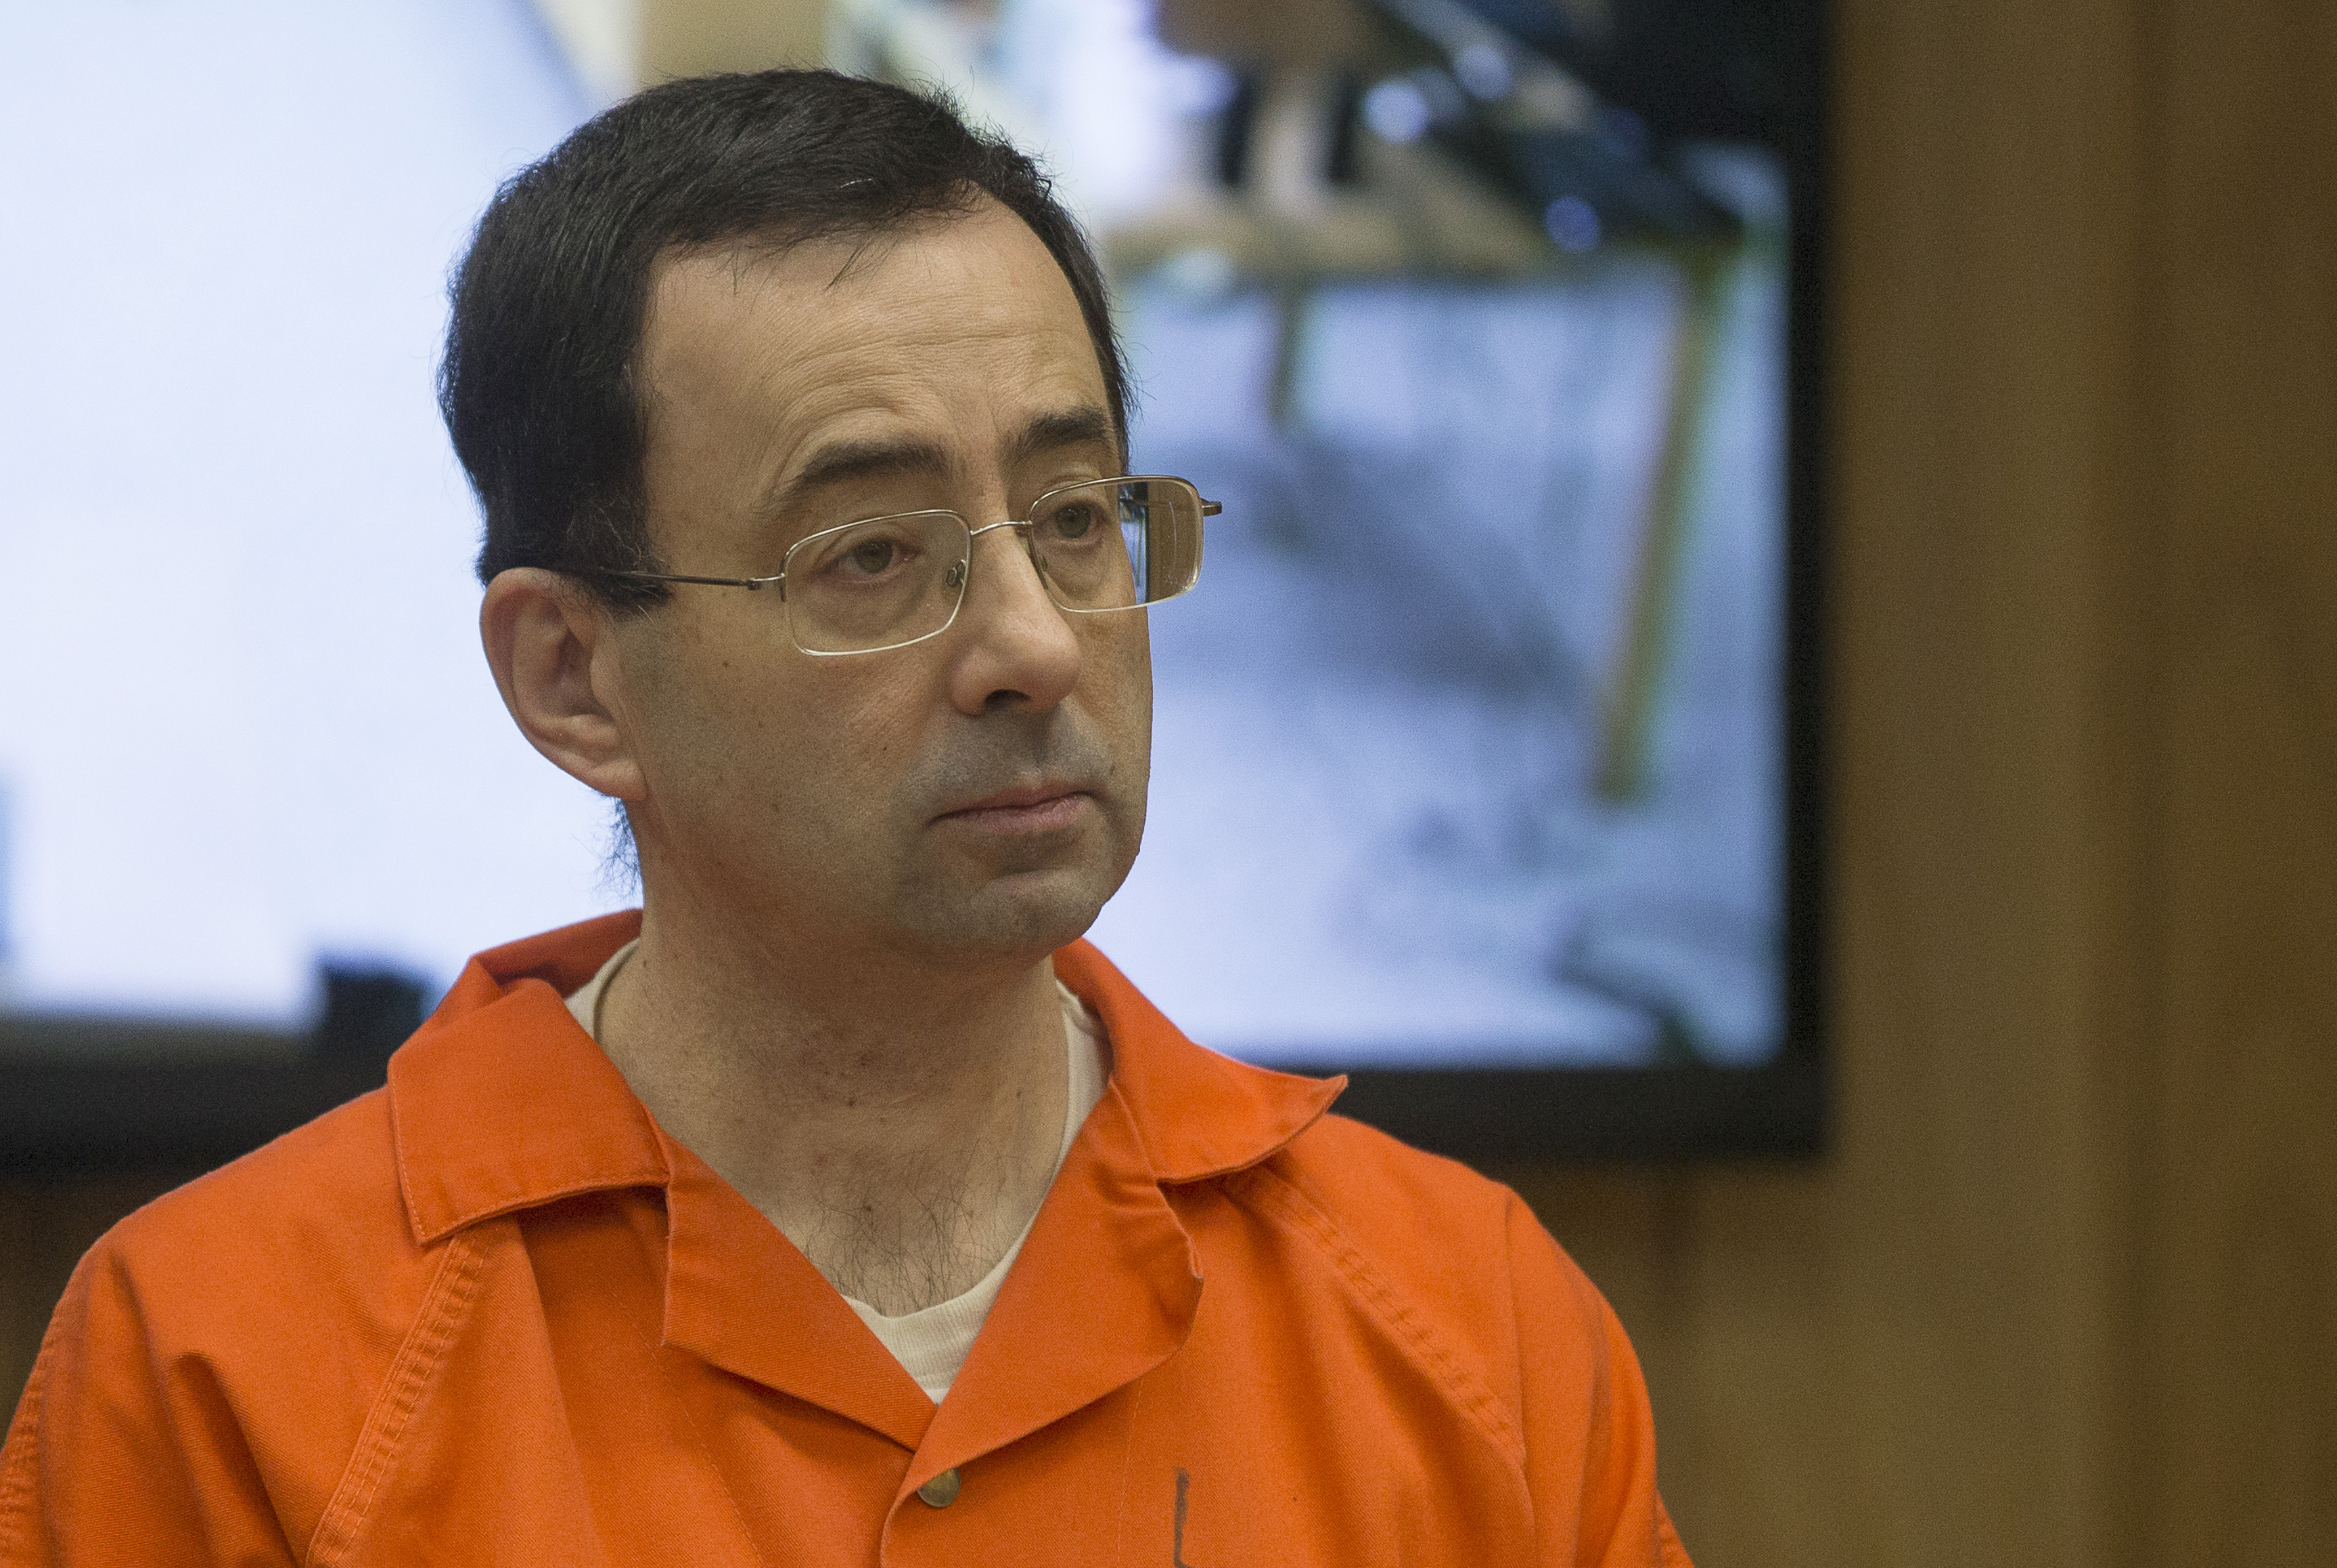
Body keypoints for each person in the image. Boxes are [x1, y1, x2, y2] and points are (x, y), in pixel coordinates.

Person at [0, 70, 1690, 1567]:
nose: (1034, 644)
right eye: (870, 555)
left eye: (1076, 516)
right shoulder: (226, 1367)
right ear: (573, 677)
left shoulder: (1471, 1320)